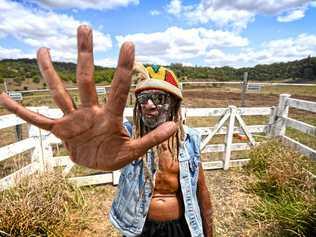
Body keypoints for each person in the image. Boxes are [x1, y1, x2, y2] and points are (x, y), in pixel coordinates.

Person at [0, 25, 213, 237]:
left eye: (159, 98)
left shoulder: (189, 139)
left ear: (175, 103)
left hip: (181, 228)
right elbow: (111, 145)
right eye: (143, 98)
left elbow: (201, 190)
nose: (149, 105)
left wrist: (209, 231)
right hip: (137, 229)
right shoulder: (126, 135)